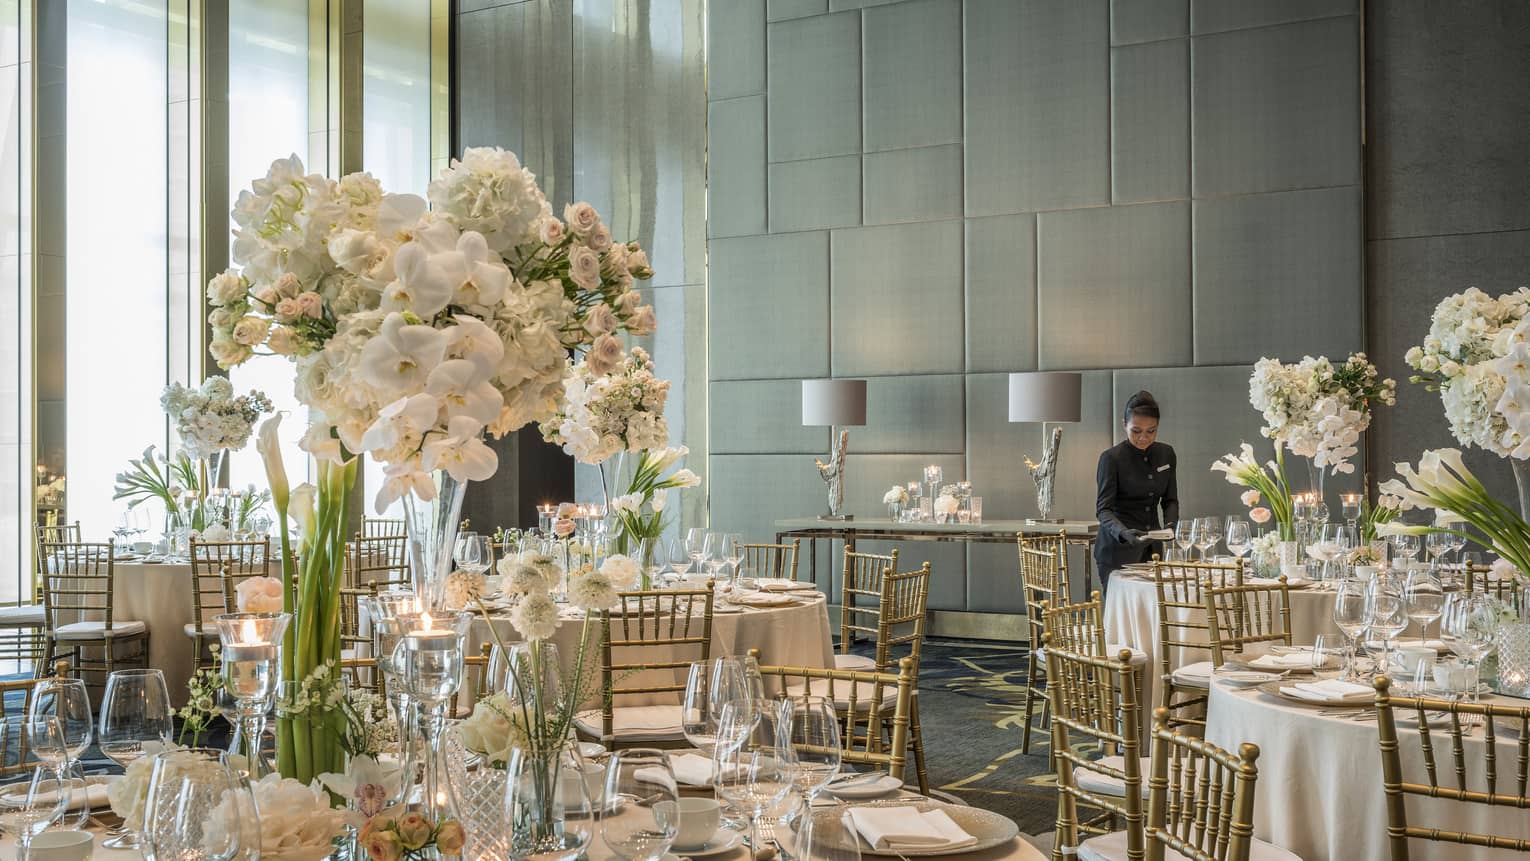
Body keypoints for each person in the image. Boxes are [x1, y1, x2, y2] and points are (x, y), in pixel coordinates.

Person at [1094, 391, 1179, 593]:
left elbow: (1170, 500)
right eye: (1136, 431)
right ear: (1124, 424)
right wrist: (1123, 533)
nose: (1143, 438)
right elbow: (1103, 509)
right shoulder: (1111, 458)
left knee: (1152, 613)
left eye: (1151, 431)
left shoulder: (1166, 453)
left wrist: (1170, 527)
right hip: (1117, 551)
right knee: (1123, 617)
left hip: (1153, 551)